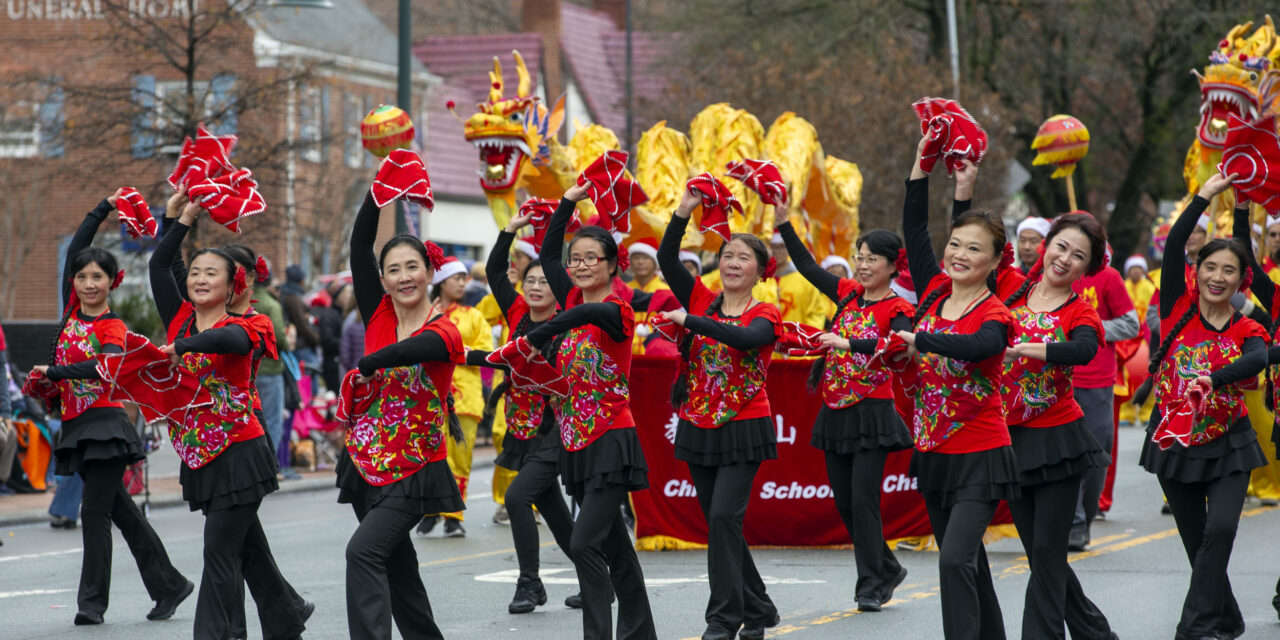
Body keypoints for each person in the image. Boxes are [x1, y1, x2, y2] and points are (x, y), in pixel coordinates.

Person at [29, 192, 192, 626]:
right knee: (121, 511)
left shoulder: (111, 325)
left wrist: (57, 371)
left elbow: (105, 369)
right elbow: (79, 243)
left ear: (112, 282)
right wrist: (104, 207)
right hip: (77, 425)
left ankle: (91, 604)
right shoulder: (70, 313)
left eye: (96, 276)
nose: (86, 283)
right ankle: (170, 585)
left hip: (106, 427)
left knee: (94, 512)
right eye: (81, 275)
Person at [150, 201, 308, 640]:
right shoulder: (180, 317)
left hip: (241, 451)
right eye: (195, 272)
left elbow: (230, 340)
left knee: (219, 552)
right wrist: (179, 219)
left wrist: (186, 347)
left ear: (234, 282)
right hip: (200, 455)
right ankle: (287, 618)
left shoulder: (253, 324)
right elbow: (161, 264)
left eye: (211, 273)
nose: (199, 279)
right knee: (247, 548)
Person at [518, 182, 657, 640]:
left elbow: (581, 320)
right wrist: (568, 202)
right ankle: (639, 633)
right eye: (576, 259)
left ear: (613, 265)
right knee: (615, 547)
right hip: (576, 442)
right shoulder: (573, 297)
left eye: (590, 258)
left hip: (612, 439)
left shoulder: (618, 310)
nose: (578, 265)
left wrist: (542, 332)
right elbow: (549, 253)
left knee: (582, 542)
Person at [1133, 172, 1265, 640]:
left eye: (1229, 270)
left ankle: (1194, 628)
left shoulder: (1247, 328)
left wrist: (1217, 376)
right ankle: (1226, 618)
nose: (1218, 276)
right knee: (1197, 543)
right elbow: (1171, 250)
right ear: (1197, 270)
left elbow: (1260, 357)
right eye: (1211, 267)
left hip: (1230, 442)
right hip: (1174, 440)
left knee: (1222, 530)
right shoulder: (1175, 307)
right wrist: (1204, 196)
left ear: (1240, 280)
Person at [899, 142, 1018, 640]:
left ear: (994, 262)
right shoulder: (932, 292)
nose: (959, 254)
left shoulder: (996, 314)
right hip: (933, 451)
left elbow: (977, 347)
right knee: (971, 563)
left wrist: (920, 338)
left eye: (974, 249)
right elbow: (913, 231)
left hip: (981, 452)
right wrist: (925, 168)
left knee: (952, 562)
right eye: (955, 245)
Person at [341, 172, 465, 640]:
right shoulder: (378, 312)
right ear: (384, 280)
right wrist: (381, 189)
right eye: (393, 269)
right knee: (397, 566)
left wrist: (373, 361)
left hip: (414, 468)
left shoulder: (444, 330)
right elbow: (359, 246)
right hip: (365, 460)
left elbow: (417, 351)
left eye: (411, 267)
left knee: (363, 553)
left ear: (429, 272)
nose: (402, 277)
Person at [656, 187, 782, 640]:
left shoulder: (766, 312)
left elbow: (747, 341)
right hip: (697, 423)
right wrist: (683, 212)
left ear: (760, 271)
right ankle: (759, 605)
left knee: (725, 519)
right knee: (718, 524)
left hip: (745, 425)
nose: (732, 262)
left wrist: (688, 321)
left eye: (743, 257)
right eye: (728, 254)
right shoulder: (704, 298)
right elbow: (667, 260)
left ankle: (724, 618)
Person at [775, 208, 913, 611]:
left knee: (864, 500)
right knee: (844, 503)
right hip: (835, 409)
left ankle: (870, 583)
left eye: (873, 258)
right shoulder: (849, 293)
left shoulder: (897, 309)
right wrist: (784, 220)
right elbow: (805, 265)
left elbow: (901, 345)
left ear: (893, 266)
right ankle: (886, 565)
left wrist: (847, 344)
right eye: (860, 256)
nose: (864, 264)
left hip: (872, 411)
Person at [999, 211, 1118, 639]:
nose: (1065, 258)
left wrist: (1027, 350)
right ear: (1046, 245)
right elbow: (967, 238)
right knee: (1040, 556)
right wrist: (960, 187)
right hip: (1007, 441)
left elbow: (1084, 350)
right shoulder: (1010, 290)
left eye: (1078, 255)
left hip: (1058, 443)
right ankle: (1095, 633)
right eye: (1061, 246)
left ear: (1088, 268)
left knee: (1048, 555)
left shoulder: (1080, 312)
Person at [475, 208, 580, 614]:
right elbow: (494, 271)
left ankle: (529, 584)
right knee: (551, 507)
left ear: (557, 288)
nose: (536, 286)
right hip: (521, 423)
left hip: (556, 426)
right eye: (531, 280)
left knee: (518, 497)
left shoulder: (568, 321)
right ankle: (598, 579)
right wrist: (511, 230)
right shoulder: (517, 313)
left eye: (544, 281)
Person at [1067, 247, 1139, 551]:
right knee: (1065, 454)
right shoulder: (1050, 278)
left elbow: (1131, 324)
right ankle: (1075, 523)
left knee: (1096, 455)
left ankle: (1088, 510)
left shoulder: (1107, 277)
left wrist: (1088, 329)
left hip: (1097, 380)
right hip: (1058, 378)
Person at [415, 256, 489, 538]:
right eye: (456, 278)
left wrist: (454, 350)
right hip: (430, 394)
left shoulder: (473, 316)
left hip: (465, 398)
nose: (462, 283)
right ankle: (431, 510)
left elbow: (484, 352)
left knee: (459, 458)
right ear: (440, 281)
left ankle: (453, 515)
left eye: (463, 278)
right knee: (430, 454)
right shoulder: (424, 312)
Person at [1120, 256, 1156, 429]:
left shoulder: (1150, 288)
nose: (1135, 271)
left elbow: (1152, 315)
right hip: (1126, 341)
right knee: (1125, 376)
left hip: (1144, 341)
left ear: (1143, 270)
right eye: (1132, 268)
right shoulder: (1121, 287)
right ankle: (1125, 413)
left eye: (1138, 268)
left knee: (1148, 375)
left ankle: (1146, 412)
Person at [768, 232, 828, 327]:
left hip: (796, 339)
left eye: (781, 246)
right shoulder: (760, 280)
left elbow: (817, 312)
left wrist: (805, 337)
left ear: (788, 249)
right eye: (774, 246)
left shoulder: (804, 280)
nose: (777, 251)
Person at [281, 264, 320, 376]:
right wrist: (316, 339)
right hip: (301, 347)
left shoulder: (287, 294)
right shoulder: (293, 298)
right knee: (308, 385)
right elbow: (301, 325)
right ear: (299, 280)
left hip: (298, 345)